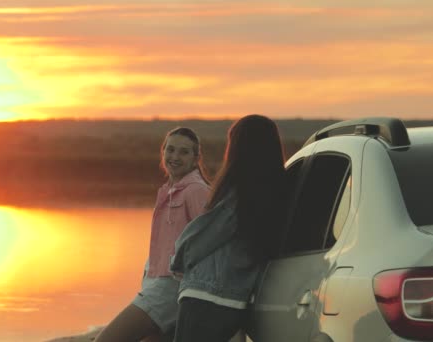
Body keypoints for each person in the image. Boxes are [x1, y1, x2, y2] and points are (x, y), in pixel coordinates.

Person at [169, 115, 288, 342]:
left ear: (240, 148)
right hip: (237, 297)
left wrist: (178, 259)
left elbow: (204, 235)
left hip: (205, 292)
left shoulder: (239, 193)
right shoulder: (279, 189)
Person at [95, 127, 211, 342]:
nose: (175, 157)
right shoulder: (169, 190)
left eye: (184, 152)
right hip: (154, 282)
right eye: (171, 149)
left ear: (196, 159)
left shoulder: (196, 190)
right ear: (163, 152)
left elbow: (210, 242)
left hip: (171, 287)